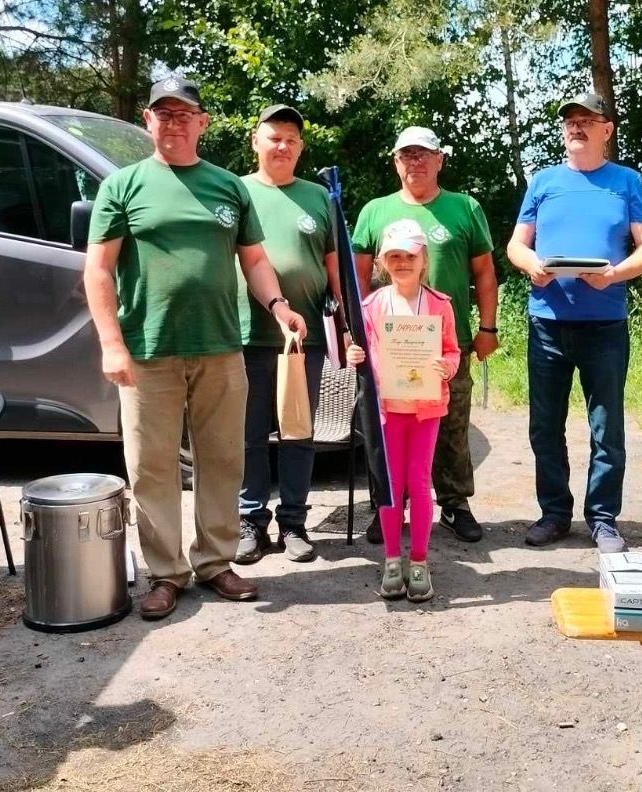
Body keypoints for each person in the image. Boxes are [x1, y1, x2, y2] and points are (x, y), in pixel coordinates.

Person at [83, 77, 307, 620]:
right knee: (153, 467)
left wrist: (278, 305)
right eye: (164, 113)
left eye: (185, 113)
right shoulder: (123, 185)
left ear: (203, 122)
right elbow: (98, 268)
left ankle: (214, 562)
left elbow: (253, 259)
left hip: (220, 347)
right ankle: (165, 573)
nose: (175, 122)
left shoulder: (229, 187)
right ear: (148, 120)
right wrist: (112, 344)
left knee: (224, 459)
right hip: (148, 350)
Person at [506, 92, 642, 553]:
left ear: (606, 129)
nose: (576, 126)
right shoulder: (544, 181)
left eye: (587, 120)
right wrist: (530, 263)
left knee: (606, 428)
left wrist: (613, 274)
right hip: (547, 323)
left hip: (605, 326)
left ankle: (603, 519)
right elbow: (515, 245)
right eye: (570, 121)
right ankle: (554, 514)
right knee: (544, 425)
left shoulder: (627, 182)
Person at [351, 126, 497, 544]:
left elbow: (485, 273)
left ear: (439, 160)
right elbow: (359, 277)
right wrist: (356, 331)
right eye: (406, 155)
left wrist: (488, 327)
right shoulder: (375, 211)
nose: (414, 162)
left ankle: (454, 504)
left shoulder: (464, 207)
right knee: (386, 431)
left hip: (448, 340)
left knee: (451, 426)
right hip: (387, 348)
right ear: (396, 162)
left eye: (423, 154)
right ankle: (387, 507)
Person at [234, 104, 341, 565]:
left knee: (298, 431)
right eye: (274, 137)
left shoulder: (319, 197)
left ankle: (294, 522)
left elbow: (335, 268)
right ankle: (250, 521)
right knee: (249, 434)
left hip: (305, 337)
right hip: (245, 333)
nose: (283, 146)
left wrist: (348, 326)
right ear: (256, 141)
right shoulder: (234, 191)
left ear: (300, 147)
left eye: (292, 140)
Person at [346, 219, 460, 601]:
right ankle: (392, 560)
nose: (402, 262)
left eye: (409, 255)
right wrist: (353, 354)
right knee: (391, 486)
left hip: (426, 408)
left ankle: (420, 561)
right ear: (382, 262)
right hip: (388, 411)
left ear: (423, 259)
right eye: (393, 256)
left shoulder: (440, 305)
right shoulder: (372, 305)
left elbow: (452, 350)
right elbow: (357, 349)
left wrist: (447, 365)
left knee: (419, 481)